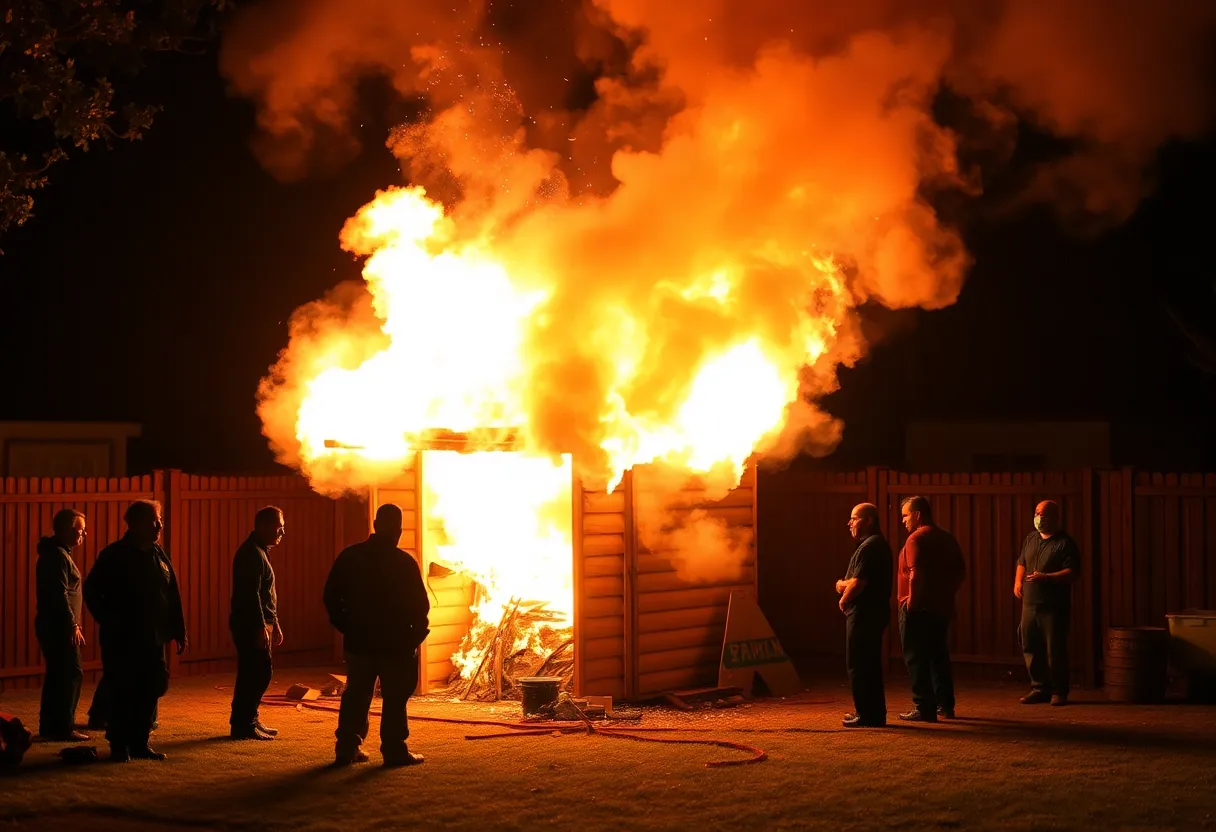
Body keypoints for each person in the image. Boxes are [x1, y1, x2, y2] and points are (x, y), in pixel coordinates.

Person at [324, 504, 430, 767]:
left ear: (374, 525)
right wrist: (414, 637)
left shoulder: (351, 557)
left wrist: (346, 626)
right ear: (398, 530)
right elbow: (420, 607)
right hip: (396, 645)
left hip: (360, 641)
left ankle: (347, 748)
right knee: (395, 699)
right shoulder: (404, 563)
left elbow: (331, 597)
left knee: (357, 693)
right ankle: (394, 750)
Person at [83, 500, 187, 762]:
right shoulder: (114, 555)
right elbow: (92, 591)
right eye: (155, 521)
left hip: (153, 639)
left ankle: (140, 743)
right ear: (137, 523)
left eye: (160, 520)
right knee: (122, 690)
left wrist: (178, 630)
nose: (160, 525)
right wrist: (110, 620)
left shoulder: (159, 555)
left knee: (151, 688)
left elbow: (171, 594)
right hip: (123, 639)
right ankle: (119, 746)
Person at [896, 496, 966, 722]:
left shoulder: (916, 539)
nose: (904, 521)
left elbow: (916, 573)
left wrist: (912, 602)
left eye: (906, 516)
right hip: (941, 608)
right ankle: (945, 705)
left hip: (919, 606)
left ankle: (923, 706)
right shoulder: (947, 539)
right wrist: (946, 594)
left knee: (915, 656)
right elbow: (959, 573)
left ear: (917, 514)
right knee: (938, 655)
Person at [229, 506, 286, 740]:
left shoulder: (260, 551)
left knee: (255, 672)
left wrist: (276, 624)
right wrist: (261, 626)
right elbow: (250, 594)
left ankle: (248, 719)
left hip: (260, 622)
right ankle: (244, 724)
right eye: (278, 526)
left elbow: (266, 594)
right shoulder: (251, 554)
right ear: (263, 526)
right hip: (251, 624)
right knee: (257, 673)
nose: (282, 531)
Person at [1015, 500, 1080, 706]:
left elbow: (1072, 572)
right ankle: (1039, 688)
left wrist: (1047, 577)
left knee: (1055, 649)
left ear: (1054, 517)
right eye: (1036, 513)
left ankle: (1059, 691)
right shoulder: (1031, 539)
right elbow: (1022, 562)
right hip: (1030, 605)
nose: (1039, 517)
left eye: (1043, 514)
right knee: (1030, 646)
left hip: (1052, 607)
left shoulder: (1064, 543)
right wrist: (1017, 581)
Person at [835, 503, 893, 728]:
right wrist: (845, 584)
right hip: (872, 612)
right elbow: (855, 580)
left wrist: (843, 597)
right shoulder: (872, 545)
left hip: (864, 613)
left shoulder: (870, 547)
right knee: (868, 663)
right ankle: (873, 713)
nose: (849, 523)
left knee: (859, 664)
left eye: (854, 518)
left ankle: (867, 714)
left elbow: (859, 582)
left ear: (868, 521)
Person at [34, 509, 89, 741]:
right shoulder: (57, 556)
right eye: (80, 529)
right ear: (67, 528)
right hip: (58, 626)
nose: (84, 533)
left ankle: (52, 726)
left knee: (59, 674)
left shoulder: (57, 553)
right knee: (69, 673)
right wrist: (71, 624)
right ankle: (62, 727)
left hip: (55, 624)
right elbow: (59, 594)